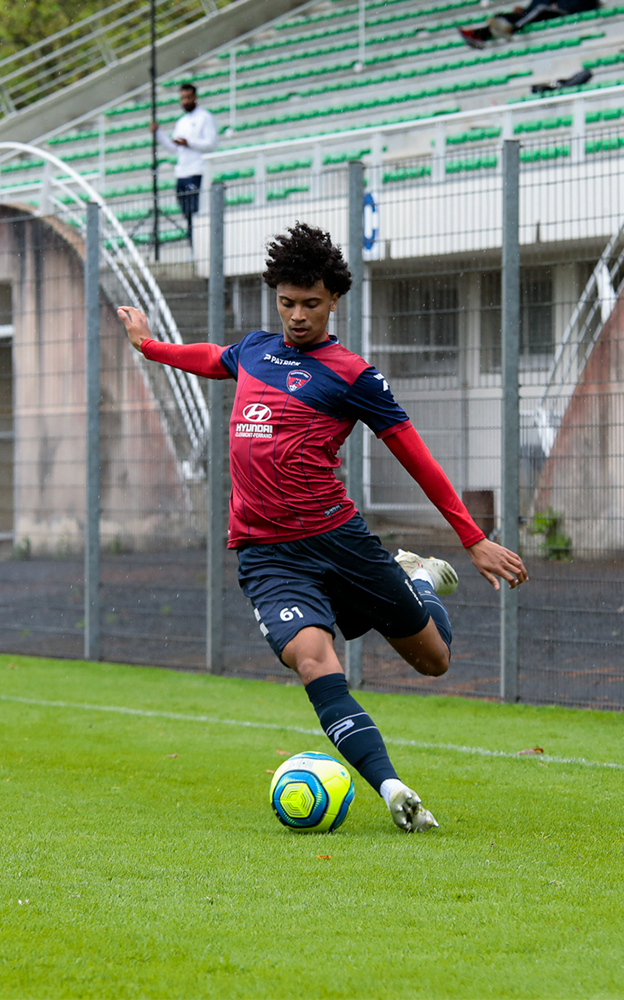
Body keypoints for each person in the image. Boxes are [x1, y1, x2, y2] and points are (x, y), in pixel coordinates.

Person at [117, 223, 528, 833]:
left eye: (311, 303)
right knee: (313, 660)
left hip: (340, 543)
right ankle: (392, 789)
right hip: (268, 554)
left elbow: (417, 457)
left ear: (334, 299)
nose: (298, 315)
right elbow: (210, 359)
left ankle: (415, 581)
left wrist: (472, 537)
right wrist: (150, 347)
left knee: (434, 663)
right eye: (287, 302)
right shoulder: (256, 350)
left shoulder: (352, 375)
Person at [149, 82, 218, 245]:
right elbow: (173, 147)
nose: (185, 101)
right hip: (182, 172)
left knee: (194, 212)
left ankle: (198, 246)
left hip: (196, 170)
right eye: (182, 98)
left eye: (188, 97)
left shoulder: (205, 117)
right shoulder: (181, 122)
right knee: (186, 213)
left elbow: (211, 143)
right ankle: (192, 245)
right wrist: (158, 134)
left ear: (194, 97)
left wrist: (190, 142)